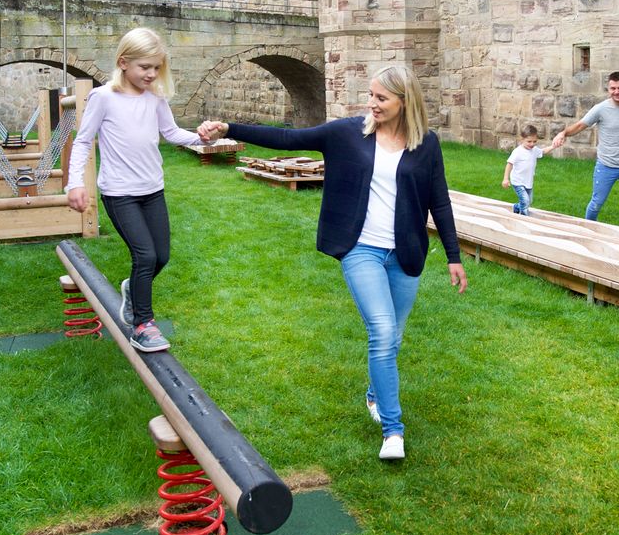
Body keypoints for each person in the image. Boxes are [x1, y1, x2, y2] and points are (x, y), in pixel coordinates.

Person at [198, 66, 467, 462]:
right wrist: (228, 128)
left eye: (381, 98)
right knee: (381, 330)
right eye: (371, 95)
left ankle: (376, 393)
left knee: (393, 338)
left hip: (406, 253)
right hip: (361, 249)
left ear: (404, 103)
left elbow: (438, 200)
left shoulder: (426, 144)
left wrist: (453, 255)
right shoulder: (346, 133)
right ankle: (394, 431)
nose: (371, 104)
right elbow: (288, 138)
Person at [66, 28, 206, 352]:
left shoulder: (155, 98)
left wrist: (201, 138)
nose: (152, 74)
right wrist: (75, 183)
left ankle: (132, 290)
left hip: (152, 189)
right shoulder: (103, 98)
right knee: (144, 255)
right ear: (123, 62)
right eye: (145, 67)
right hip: (120, 192)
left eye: (157, 67)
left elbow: (170, 132)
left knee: (162, 256)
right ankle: (142, 325)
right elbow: (84, 140)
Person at [551, 71, 619, 230]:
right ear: (608, 89)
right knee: (596, 204)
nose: (617, 92)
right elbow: (581, 125)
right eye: (613, 88)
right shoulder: (600, 109)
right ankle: (587, 231)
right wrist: (563, 133)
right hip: (605, 166)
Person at [501, 124, 552, 215]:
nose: (532, 144)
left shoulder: (534, 150)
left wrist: (553, 146)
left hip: (528, 181)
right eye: (529, 141)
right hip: (518, 181)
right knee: (525, 201)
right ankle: (524, 219)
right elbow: (509, 164)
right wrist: (505, 178)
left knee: (529, 201)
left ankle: (516, 207)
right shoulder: (518, 152)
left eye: (534, 141)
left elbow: (543, 151)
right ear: (521, 139)